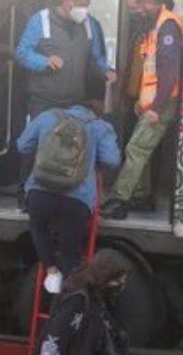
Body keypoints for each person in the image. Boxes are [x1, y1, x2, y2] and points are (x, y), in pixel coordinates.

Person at [16, 0, 117, 211]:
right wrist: (44, 61)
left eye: (87, 5)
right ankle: (26, 194)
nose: (84, 10)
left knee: (71, 149)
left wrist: (106, 71)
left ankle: (65, 194)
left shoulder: (89, 24)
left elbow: (96, 58)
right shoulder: (40, 20)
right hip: (44, 99)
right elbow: (22, 53)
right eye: (80, 4)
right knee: (36, 146)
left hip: (73, 102)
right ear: (66, 0)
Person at [101, 0, 183, 220]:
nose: (134, 14)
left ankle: (118, 200)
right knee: (141, 149)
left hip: (163, 103)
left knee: (136, 148)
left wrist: (156, 108)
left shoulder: (167, 26)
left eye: (135, 9)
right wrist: (141, 101)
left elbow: (169, 72)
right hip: (152, 102)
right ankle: (141, 196)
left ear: (148, 3)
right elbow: (150, 71)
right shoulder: (154, 26)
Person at [16, 105, 121, 293]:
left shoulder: (47, 116)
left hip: (40, 193)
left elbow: (23, 145)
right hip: (77, 200)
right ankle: (72, 297)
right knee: (70, 254)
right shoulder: (101, 126)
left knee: (37, 225)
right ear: (94, 111)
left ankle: (51, 270)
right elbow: (112, 160)